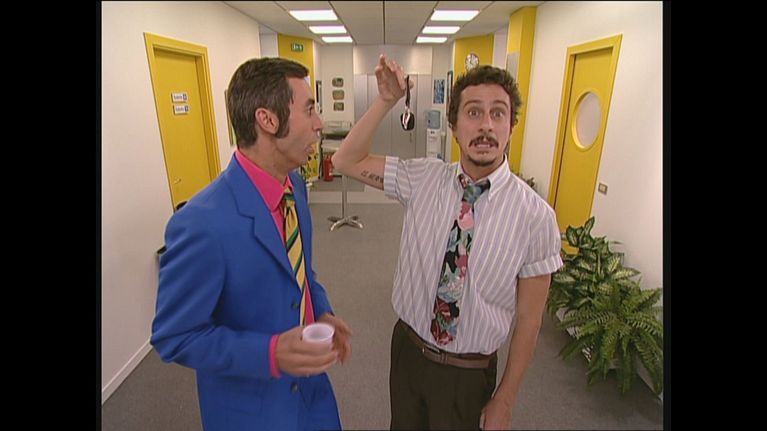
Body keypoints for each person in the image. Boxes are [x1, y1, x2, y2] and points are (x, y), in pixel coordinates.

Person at [332, 55, 563, 430]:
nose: (486, 125)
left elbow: (529, 320)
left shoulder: (536, 218)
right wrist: (386, 101)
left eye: (498, 113)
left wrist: (505, 399)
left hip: (468, 374)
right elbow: (345, 160)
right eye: (473, 113)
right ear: (454, 127)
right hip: (408, 354)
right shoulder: (422, 179)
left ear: (511, 126)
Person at [151, 57, 352, 431]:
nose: (320, 123)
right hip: (252, 412)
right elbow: (175, 336)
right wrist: (270, 354)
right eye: (309, 109)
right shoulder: (200, 223)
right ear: (268, 120)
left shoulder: (295, 189)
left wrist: (321, 311)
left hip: (314, 400)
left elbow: (301, 272)